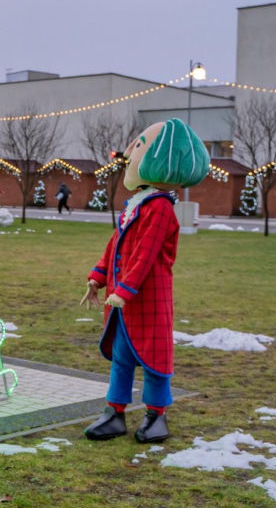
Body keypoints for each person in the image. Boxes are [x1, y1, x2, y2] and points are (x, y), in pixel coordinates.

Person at [80, 118, 209, 444]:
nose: (129, 154)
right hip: (123, 302)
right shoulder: (137, 204)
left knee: (154, 357)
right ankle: (115, 412)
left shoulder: (160, 209)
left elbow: (146, 253)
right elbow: (117, 244)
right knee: (122, 356)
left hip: (146, 298)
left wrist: (125, 289)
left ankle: (156, 415)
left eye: (138, 147)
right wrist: (98, 275)